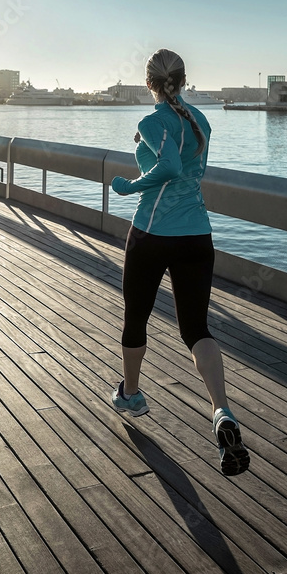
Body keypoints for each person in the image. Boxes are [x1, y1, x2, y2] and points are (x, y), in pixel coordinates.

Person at [110, 48, 250, 476]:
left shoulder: (151, 121)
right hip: (197, 235)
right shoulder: (199, 121)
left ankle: (131, 394)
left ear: (149, 83)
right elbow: (188, 165)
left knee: (137, 317)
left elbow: (169, 165)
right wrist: (150, 150)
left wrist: (130, 186)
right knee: (195, 327)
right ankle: (222, 411)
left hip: (152, 235)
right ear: (183, 81)